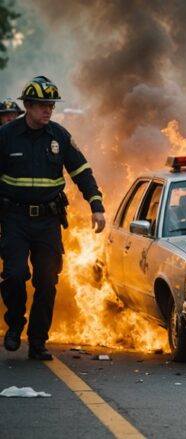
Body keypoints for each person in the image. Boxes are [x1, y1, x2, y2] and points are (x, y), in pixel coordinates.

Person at [0, 76, 106, 360]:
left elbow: (81, 171)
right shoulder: (7, 135)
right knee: (14, 275)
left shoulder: (59, 136)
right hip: (14, 219)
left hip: (48, 221)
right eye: (43, 105)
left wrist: (96, 204)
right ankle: (14, 325)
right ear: (28, 106)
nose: (48, 110)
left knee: (46, 281)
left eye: (51, 105)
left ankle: (37, 342)